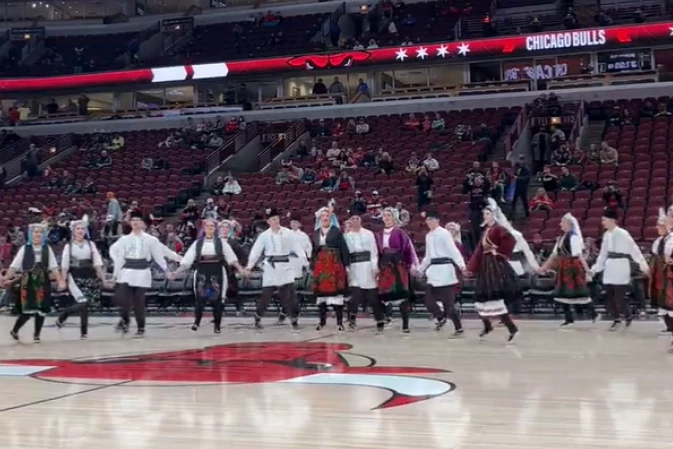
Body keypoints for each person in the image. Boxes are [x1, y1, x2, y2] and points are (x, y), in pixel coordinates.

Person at [170, 219, 244, 334]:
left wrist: (241, 269)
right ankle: (196, 322)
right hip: (202, 273)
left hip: (217, 272)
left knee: (217, 300)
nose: (209, 228)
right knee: (200, 299)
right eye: (207, 226)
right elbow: (187, 261)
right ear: (204, 228)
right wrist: (176, 272)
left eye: (212, 226)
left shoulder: (221, 243)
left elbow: (232, 258)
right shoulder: (197, 243)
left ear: (215, 229)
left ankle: (217, 325)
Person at [109, 210, 172, 337]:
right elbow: (119, 258)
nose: (135, 222)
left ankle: (140, 328)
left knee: (139, 302)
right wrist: (115, 276)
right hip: (127, 272)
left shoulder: (151, 240)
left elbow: (158, 256)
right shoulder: (124, 239)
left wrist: (166, 270)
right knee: (123, 300)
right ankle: (125, 320)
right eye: (133, 220)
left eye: (138, 220)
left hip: (142, 272)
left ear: (143, 223)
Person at [464, 199, 519, 343]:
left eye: (487, 214)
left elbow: (511, 240)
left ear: (494, 215)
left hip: (494, 267)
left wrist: (499, 252)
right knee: (480, 299)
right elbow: (478, 252)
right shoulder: (486, 231)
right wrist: (470, 268)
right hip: (486, 267)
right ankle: (488, 326)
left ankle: (512, 328)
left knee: (495, 300)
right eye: (484, 214)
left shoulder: (498, 229)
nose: (485, 216)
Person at [243, 209, 306, 331]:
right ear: (268, 221)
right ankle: (257, 318)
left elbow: (297, 248)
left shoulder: (288, 233)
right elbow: (256, 252)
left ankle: (294, 321)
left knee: (290, 296)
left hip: (285, 268)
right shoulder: (264, 236)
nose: (276, 221)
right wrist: (249, 266)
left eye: (277, 218)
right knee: (266, 296)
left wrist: (304, 262)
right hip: (270, 268)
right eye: (273, 219)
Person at [2, 223, 65, 342]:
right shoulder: (25, 249)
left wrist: (60, 281)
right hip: (28, 282)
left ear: (43, 235)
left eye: (40, 232)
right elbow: (14, 267)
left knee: (42, 310)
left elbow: (54, 268)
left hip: (43, 281)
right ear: (31, 234)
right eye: (36, 232)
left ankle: (37, 335)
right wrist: (6, 278)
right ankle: (15, 330)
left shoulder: (47, 249)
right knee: (28, 310)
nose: (38, 234)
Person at [589, 208, 649, 330]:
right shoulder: (606, 235)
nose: (602, 222)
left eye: (604, 220)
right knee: (609, 296)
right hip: (610, 266)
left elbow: (634, 249)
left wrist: (643, 265)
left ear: (612, 220)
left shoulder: (623, 234)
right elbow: (603, 254)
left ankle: (627, 316)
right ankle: (616, 318)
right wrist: (594, 269)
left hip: (621, 265)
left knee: (619, 296)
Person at [538, 213, 596, 326]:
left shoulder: (573, 237)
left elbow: (579, 256)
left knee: (579, 292)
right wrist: (543, 268)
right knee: (562, 292)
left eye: (563, 222)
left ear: (569, 224)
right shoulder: (561, 238)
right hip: (564, 268)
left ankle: (593, 313)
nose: (560, 224)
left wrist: (587, 271)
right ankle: (568, 318)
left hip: (573, 269)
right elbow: (554, 255)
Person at [417, 210, 466, 335]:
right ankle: (440, 317)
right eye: (427, 220)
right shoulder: (428, 236)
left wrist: (462, 265)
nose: (428, 222)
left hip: (445, 271)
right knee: (428, 300)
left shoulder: (444, 234)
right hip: (433, 271)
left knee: (448, 304)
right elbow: (428, 256)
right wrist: (420, 269)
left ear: (437, 220)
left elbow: (453, 251)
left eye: (431, 219)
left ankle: (458, 328)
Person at [56, 220, 106, 339]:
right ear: (73, 231)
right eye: (78, 229)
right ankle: (64, 314)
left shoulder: (91, 244)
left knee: (85, 305)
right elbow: (64, 265)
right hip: (75, 277)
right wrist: (62, 281)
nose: (80, 231)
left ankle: (84, 332)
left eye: (82, 229)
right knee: (82, 302)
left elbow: (97, 263)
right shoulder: (69, 246)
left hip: (89, 276)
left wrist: (103, 279)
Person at [375, 207, 419, 333]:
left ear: (393, 218)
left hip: (398, 266)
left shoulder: (400, 233)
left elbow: (408, 249)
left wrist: (409, 264)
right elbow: (377, 252)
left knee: (402, 296)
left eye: (389, 215)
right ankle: (382, 320)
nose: (386, 218)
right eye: (384, 216)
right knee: (382, 294)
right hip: (385, 266)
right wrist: (377, 266)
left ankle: (405, 324)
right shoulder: (379, 234)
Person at [312, 207, 351, 331]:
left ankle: (339, 322)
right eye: (323, 216)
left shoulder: (336, 232)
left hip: (334, 265)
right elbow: (314, 251)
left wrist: (346, 265)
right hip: (321, 267)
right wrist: (313, 266)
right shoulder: (316, 233)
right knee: (321, 296)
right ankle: (322, 322)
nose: (325, 218)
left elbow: (344, 248)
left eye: (327, 216)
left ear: (330, 218)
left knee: (336, 295)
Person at [344, 212, 379, 330]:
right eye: (352, 219)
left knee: (372, 294)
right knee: (355, 294)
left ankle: (379, 318)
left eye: (357, 218)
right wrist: (347, 268)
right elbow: (346, 254)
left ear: (360, 221)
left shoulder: (369, 234)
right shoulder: (347, 236)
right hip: (354, 267)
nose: (355, 220)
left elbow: (373, 251)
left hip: (368, 266)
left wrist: (374, 267)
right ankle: (352, 318)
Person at [649, 207, 673, 344]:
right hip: (661, 275)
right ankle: (670, 328)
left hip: (669, 274)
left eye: (659, 225)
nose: (657, 228)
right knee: (663, 303)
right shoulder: (659, 241)